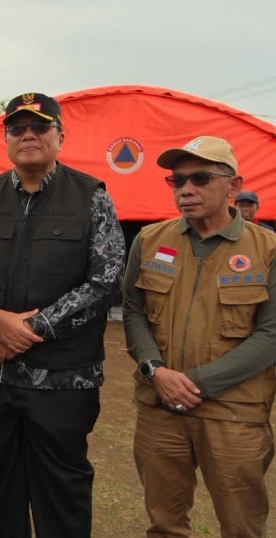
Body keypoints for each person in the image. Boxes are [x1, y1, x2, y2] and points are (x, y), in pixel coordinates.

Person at [0, 92, 125, 537]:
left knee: (62, 493)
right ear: (6, 139)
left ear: (60, 136)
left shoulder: (91, 197)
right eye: (17, 128)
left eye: (39, 126)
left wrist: (30, 327)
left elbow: (106, 279)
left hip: (62, 381)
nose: (27, 135)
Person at [122, 136, 276, 538]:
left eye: (200, 178)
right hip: (160, 408)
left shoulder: (268, 249)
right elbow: (134, 313)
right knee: (165, 525)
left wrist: (193, 384)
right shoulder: (150, 240)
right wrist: (156, 371)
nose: (186, 189)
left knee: (242, 525)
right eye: (177, 180)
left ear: (234, 186)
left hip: (233, 412)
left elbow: (272, 334)